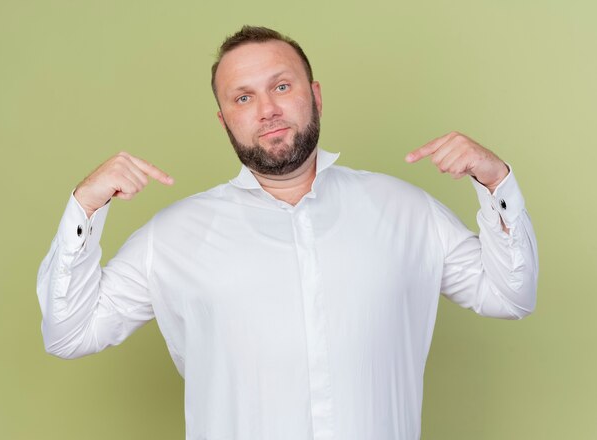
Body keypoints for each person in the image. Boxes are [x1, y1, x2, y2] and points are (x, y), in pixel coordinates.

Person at [37, 25, 538, 440]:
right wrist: (85, 204)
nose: (267, 110)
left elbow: (510, 295)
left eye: (281, 86)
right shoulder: (171, 239)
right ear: (224, 120)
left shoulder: (406, 211)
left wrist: (496, 182)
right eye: (243, 97)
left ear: (314, 95)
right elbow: (70, 334)